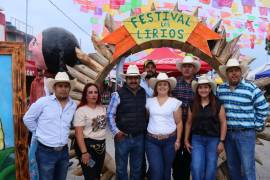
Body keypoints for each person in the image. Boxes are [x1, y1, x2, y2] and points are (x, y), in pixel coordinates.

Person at [217, 58, 269, 180]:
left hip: (245, 134)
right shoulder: (221, 90)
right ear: (226, 73)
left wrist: (257, 126)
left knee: (247, 168)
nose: (234, 73)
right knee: (232, 167)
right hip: (228, 135)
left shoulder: (251, 88)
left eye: (236, 70)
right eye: (231, 71)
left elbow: (263, 107)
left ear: (241, 72)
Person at [23, 72, 77, 180]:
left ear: (69, 88)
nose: (63, 89)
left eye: (66, 86)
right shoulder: (43, 102)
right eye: (60, 86)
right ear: (54, 87)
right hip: (45, 152)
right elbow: (27, 118)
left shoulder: (72, 105)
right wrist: (37, 132)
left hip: (63, 152)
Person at [107, 65, 147, 180]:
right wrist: (116, 132)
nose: (133, 80)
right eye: (130, 78)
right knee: (121, 169)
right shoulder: (117, 94)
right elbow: (109, 114)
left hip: (139, 137)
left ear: (139, 79)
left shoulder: (143, 92)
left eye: (136, 78)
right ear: (126, 79)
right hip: (122, 138)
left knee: (137, 168)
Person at [184, 75, 227, 180]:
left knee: (211, 168)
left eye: (206, 87)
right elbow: (189, 122)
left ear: (210, 88)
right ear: (197, 89)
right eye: (200, 87)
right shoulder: (193, 103)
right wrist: (185, 140)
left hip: (213, 140)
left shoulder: (217, 103)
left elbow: (223, 122)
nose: (203, 90)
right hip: (197, 139)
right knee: (196, 167)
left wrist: (222, 141)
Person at [146, 72, 183, 180]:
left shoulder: (175, 102)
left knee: (167, 171)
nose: (162, 86)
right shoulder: (149, 102)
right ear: (156, 87)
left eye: (165, 84)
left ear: (169, 87)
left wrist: (178, 140)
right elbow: (148, 117)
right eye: (160, 84)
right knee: (156, 172)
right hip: (152, 141)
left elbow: (179, 122)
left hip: (170, 141)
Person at [172, 54, 201, 180]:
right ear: (181, 69)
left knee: (190, 156)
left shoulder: (200, 84)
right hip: (176, 126)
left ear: (194, 69)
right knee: (175, 155)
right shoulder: (175, 83)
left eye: (190, 66)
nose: (187, 69)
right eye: (185, 66)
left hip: (193, 127)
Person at [73, 83, 106, 180]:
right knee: (90, 175)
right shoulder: (81, 111)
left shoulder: (102, 108)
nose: (93, 95)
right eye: (90, 92)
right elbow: (78, 133)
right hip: (87, 148)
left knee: (97, 174)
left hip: (101, 148)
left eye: (96, 92)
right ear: (85, 95)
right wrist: (84, 153)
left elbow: (100, 129)